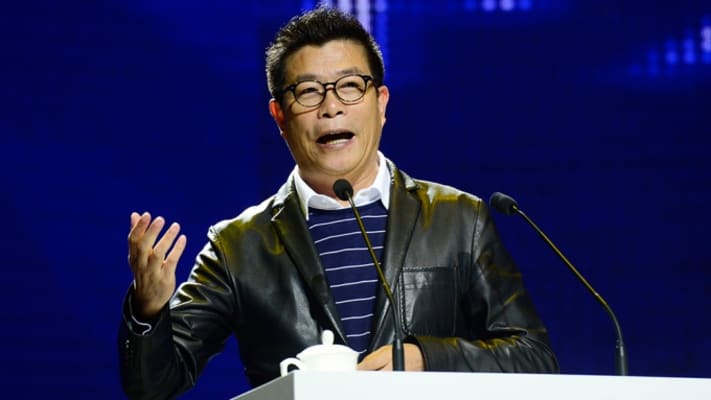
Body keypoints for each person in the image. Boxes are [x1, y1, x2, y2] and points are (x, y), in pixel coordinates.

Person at [119, 6, 559, 399]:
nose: (331, 107)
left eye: (350, 86)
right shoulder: (237, 246)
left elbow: (533, 358)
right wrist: (148, 310)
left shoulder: (459, 219)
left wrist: (427, 358)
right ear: (279, 116)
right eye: (308, 91)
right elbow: (154, 386)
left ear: (381, 103)